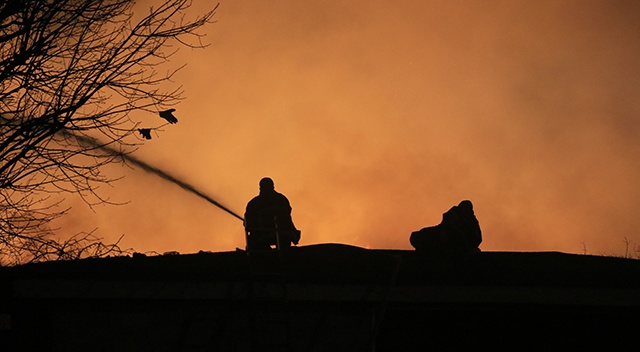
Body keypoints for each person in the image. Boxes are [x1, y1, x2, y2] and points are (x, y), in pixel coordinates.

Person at [244, 177, 301, 250]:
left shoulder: (254, 203)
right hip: (283, 234)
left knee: (253, 243)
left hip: (262, 236)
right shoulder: (282, 199)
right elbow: (287, 216)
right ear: (273, 186)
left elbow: (248, 224)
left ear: (260, 188)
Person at [410, 200, 482, 254]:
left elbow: (477, 238)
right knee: (424, 235)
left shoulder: (472, 222)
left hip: (452, 242)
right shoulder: (453, 215)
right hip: (442, 236)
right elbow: (446, 227)